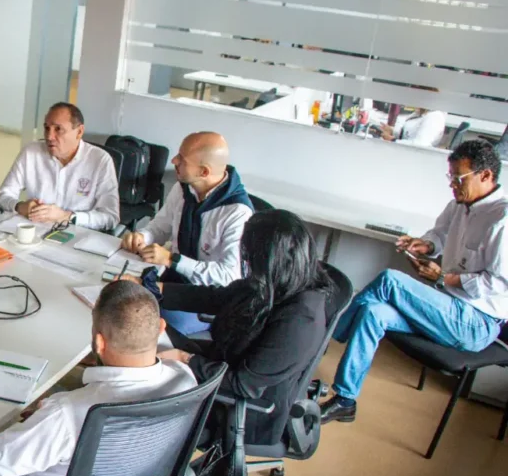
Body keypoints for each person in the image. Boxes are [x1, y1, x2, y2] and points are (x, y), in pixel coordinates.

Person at [322, 140, 508, 424]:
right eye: (451, 177)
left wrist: (444, 277)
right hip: (444, 308)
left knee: (390, 280)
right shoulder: (458, 205)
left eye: (459, 178)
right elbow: (439, 235)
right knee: (373, 312)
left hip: (475, 322)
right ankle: (345, 400)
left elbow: (497, 284)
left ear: (485, 175)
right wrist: (423, 245)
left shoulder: (502, 220)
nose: (452, 185)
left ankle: (324, 338)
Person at [0, 280, 197, 476]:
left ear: (99, 343)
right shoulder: (184, 378)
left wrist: (35, 422)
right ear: (161, 328)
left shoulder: (67, 413)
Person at [135, 210, 333, 446]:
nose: (247, 264)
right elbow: (217, 297)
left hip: (236, 410)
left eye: (251, 259)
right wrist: (151, 290)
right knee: (141, 333)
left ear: (271, 261)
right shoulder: (277, 282)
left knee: (137, 384)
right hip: (219, 365)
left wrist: (183, 358)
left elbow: (244, 384)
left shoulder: (301, 320)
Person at [119, 132, 253, 335]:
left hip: (204, 299)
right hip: (170, 282)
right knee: (119, 297)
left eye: (181, 159)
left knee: (135, 319)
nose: (174, 161)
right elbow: (160, 227)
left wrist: (172, 259)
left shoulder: (237, 213)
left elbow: (228, 277)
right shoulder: (183, 189)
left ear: (204, 172)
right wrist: (142, 237)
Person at [0, 102, 120, 231]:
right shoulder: (31, 152)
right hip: (35, 232)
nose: (49, 137)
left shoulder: (100, 160)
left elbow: (110, 217)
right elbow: (3, 195)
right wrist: (19, 206)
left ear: (79, 132)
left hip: (77, 235)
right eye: (47, 128)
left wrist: (66, 216)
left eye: (58, 129)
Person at [379, 108, 447, 148]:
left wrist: (393, 140)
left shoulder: (434, 117)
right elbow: (410, 133)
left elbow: (420, 145)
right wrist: (393, 131)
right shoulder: (421, 112)